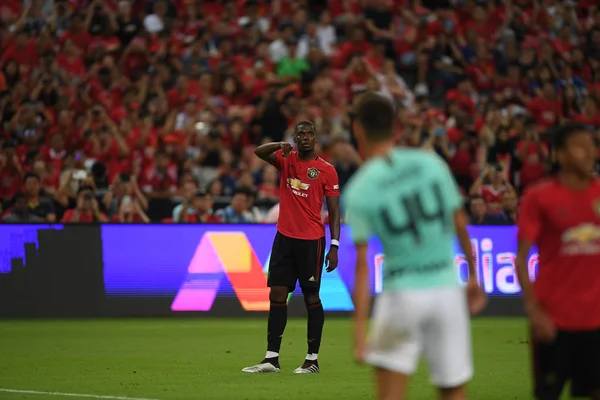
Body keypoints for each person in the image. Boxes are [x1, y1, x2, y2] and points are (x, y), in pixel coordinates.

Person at [344, 92, 486, 400]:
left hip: (401, 297)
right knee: (453, 393)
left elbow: (361, 264)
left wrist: (359, 334)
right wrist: (474, 276)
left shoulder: (360, 188)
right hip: (448, 292)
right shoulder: (430, 164)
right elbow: (460, 223)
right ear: (396, 127)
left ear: (358, 129)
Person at [242, 120, 341, 374]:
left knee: (311, 297)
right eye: (300, 134)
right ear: (295, 138)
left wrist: (334, 245)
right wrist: (279, 144)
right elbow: (259, 152)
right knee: (276, 294)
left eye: (309, 134)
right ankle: (271, 359)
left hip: (311, 241)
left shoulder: (327, 170)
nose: (305, 137)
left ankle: (312, 360)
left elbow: (334, 211)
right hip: (284, 238)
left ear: (316, 138)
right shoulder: (286, 159)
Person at [516, 122, 600, 400]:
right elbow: (521, 258)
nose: (589, 153)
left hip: (596, 320)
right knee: (547, 394)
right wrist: (534, 311)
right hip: (553, 321)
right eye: (579, 147)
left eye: (591, 146)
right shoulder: (539, 197)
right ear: (559, 155)